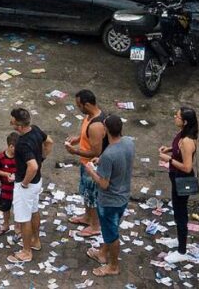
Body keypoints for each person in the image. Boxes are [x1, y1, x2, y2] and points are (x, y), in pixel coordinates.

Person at [83, 115, 134, 277]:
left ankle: (113, 266)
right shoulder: (128, 142)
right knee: (110, 229)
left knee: (112, 235)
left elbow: (104, 184)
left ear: (105, 130)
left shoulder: (109, 154)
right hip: (124, 195)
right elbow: (119, 163)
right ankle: (102, 254)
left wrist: (91, 171)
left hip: (109, 201)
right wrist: (102, 162)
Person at [7, 107, 53, 264]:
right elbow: (49, 142)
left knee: (23, 218)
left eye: (12, 119)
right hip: (37, 181)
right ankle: (35, 240)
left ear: (18, 125)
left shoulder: (22, 143)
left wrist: (24, 183)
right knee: (34, 210)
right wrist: (42, 158)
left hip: (26, 184)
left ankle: (26, 251)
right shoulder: (36, 130)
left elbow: (32, 166)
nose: (10, 121)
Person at [65, 89, 108, 238]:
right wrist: (77, 139)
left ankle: (95, 226)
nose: (78, 108)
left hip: (93, 166)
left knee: (92, 196)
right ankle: (87, 217)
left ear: (87, 104)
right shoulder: (89, 116)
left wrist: (75, 151)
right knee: (86, 194)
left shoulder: (96, 125)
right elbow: (86, 135)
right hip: (85, 164)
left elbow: (96, 151)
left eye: (79, 105)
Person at [158, 106, 198, 264]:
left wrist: (169, 159)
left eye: (178, 116)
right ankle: (179, 240)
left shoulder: (188, 141)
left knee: (181, 213)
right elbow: (178, 149)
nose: (175, 117)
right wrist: (169, 149)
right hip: (175, 176)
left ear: (185, 121)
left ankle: (182, 251)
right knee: (177, 209)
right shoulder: (183, 134)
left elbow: (187, 167)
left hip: (183, 179)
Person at [0, 132, 20, 235]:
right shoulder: (0, 158)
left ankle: (18, 227)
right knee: (5, 207)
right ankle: (6, 224)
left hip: (18, 187)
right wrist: (6, 174)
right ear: (11, 146)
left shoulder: (19, 157)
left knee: (18, 207)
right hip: (6, 187)